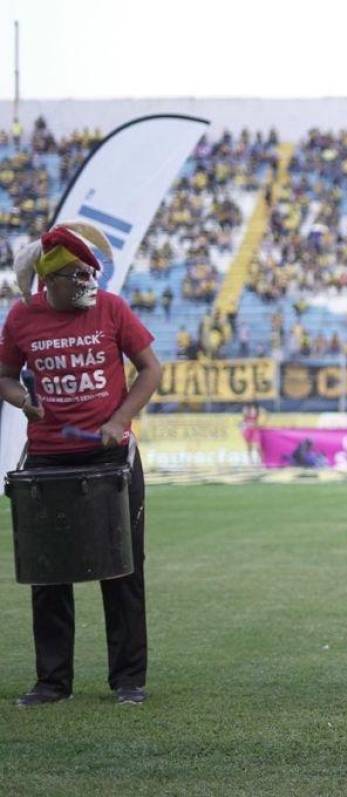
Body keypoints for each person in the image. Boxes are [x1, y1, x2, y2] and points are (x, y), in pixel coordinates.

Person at [0, 221, 163, 707]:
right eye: (75, 276)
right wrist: (22, 399)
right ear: (48, 280)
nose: (88, 282)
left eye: (90, 273)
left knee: (124, 570)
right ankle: (52, 683)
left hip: (110, 455)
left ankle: (128, 681)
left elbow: (151, 369)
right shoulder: (22, 318)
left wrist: (120, 420)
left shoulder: (112, 308)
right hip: (49, 458)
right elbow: (5, 376)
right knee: (50, 574)